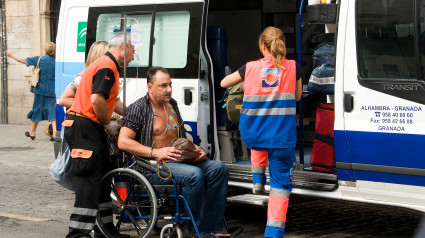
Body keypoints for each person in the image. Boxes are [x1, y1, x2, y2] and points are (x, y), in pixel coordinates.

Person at [118, 66, 229, 237]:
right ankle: (197, 231)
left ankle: (214, 228)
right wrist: (155, 152)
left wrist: (195, 149)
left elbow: (179, 137)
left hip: (179, 160)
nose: (169, 89)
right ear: (150, 87)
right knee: (194, 175)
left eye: (170, 84)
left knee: (218, 169)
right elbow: (123, 142)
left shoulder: (172, 104)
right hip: (151, 165)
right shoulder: (138, 108)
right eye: (163, 85)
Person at [221, 26, 302, 238]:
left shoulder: (250, 68)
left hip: (254, 135)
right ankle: (273, 233)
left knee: (260, 143)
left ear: (262, 46)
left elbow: (223, 83)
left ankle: (257, 181)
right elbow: (297, 97)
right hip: (282, 139)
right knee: (280, 188)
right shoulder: (294, 68)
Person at [62, 31, 134, 238]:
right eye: (132, 52)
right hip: (85, 127)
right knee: (88, 182)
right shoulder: (107, 66)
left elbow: (110, 100)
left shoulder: (106, 65)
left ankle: (104, 230)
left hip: (88, 127)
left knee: (102, 180)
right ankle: (78, 234)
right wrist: (107, 124)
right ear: (123, 48)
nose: (132, 57)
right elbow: (96, 100)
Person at [6, 42, 57, 141]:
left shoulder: (39, 59)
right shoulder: (58, 62)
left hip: (40, 91)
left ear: (45, 50)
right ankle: (55, 134)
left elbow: (22, 60)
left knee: (37, 110)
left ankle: (32, 132)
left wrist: (11, 55)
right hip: (53, 91)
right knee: (52, 113)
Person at [58, 40, 124, 115]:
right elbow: (63, 100)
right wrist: (94, 106)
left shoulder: (103, 75)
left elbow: (115, 103)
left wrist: (133, 113)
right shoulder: (83, 77)